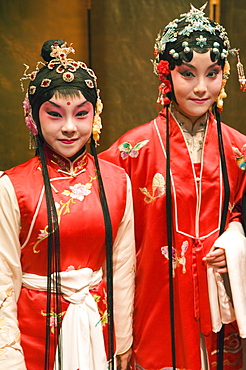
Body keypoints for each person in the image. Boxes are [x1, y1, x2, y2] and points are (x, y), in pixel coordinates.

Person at [99, 4, 246, 369]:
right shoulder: (131, 152)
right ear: (166, 75)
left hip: (221, 300)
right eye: (187, 73)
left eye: (212, 74)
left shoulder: (240, 150)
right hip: (155, 301)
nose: (200, 87)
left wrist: (236, 239)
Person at [0, 39, 135, 370]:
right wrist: (8, 356)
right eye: (55, 115)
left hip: (98, 326)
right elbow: (3, 279)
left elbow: (123, 269)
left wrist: (123, 341)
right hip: (33, 334)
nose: (70, 127)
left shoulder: (117, 181)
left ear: (95, 113)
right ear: (33, 116)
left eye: (81, 113)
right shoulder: (11, 186)